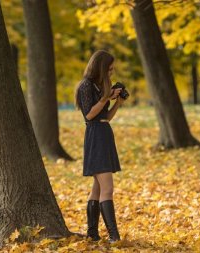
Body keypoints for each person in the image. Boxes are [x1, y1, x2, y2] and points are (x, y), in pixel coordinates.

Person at [75, 50, 125, 242]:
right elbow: (89, 115)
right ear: (101, 68)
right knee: (107, 189)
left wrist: (117, 103)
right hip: (95, 136)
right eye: (109, 69)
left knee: (97, 187)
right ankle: (114, 236)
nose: (111, 73)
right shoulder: (86, 86)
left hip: (104, 133)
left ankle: (92, 234)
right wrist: (105, 97)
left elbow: (106, 117)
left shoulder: (99, 86)